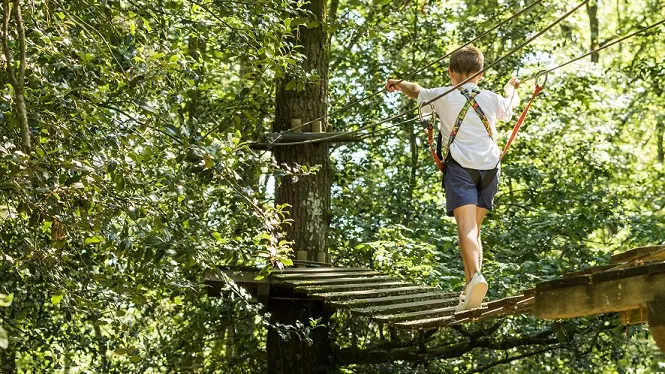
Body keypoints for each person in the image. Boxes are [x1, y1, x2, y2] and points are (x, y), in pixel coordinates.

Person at [385, 45, 520, 311]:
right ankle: (471, 285)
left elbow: (416, 91)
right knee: (475, 230)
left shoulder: (442, 95)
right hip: (490, 168)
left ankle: (476, 278)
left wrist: (399, 84)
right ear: (480, 75)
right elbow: (510, 106)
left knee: (466, 228)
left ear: (450, 73)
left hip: (461, 168)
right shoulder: (491, 99)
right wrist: (511, 87)